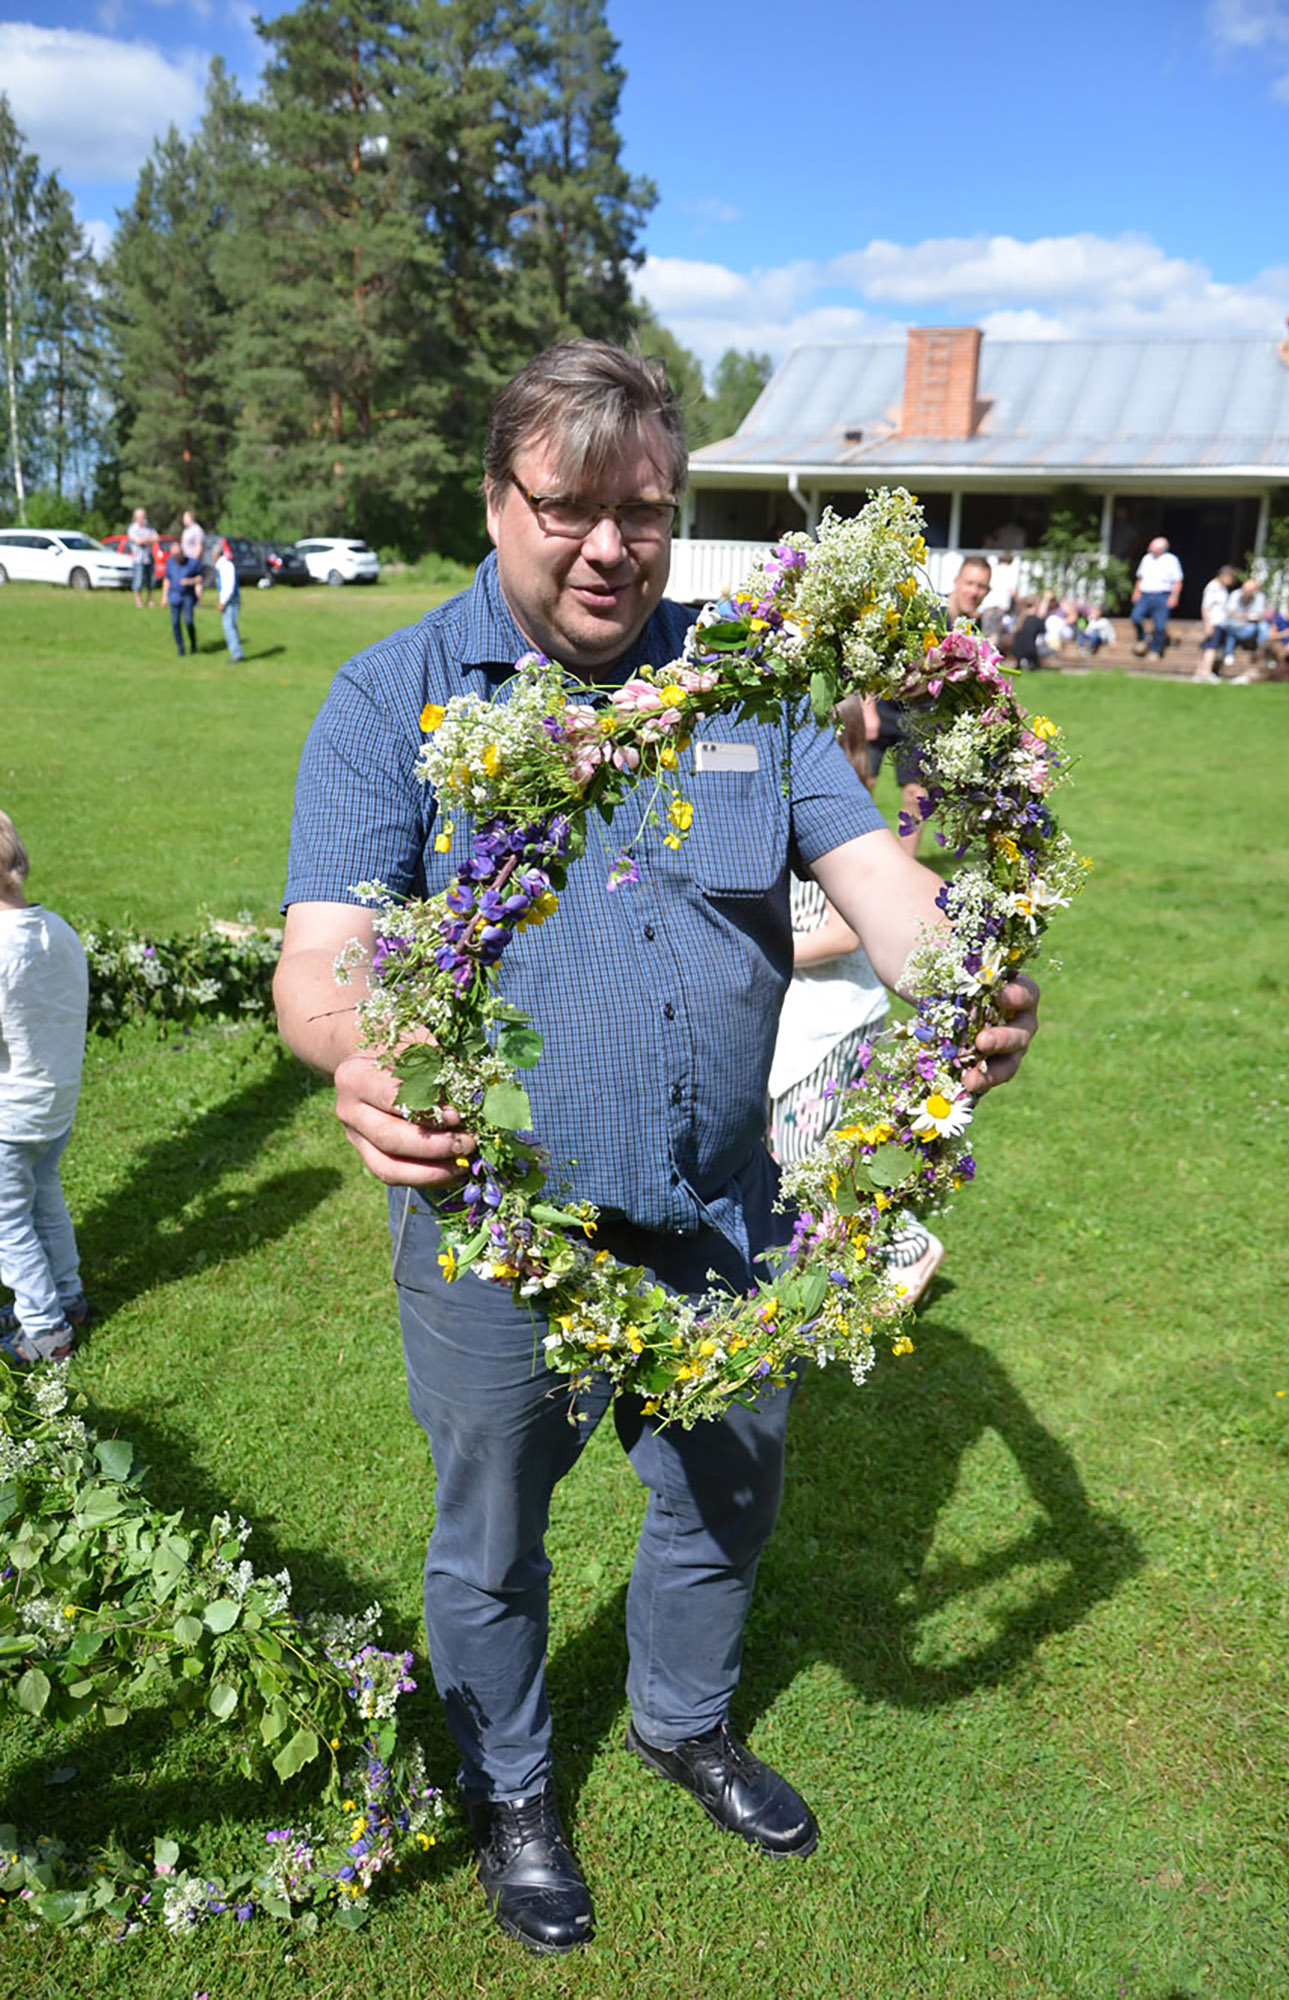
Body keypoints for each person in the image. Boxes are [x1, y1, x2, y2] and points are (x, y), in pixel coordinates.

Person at [273, 342, 1040, 1958]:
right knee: (491, 1531)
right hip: (500, 1227)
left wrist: (958, 972)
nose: (613, 547)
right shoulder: (396, 696)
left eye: (648, 512)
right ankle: (511, 1785)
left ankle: (683, 1720)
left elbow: (879, 872)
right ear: (497, 501)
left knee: (728, 1487)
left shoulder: (745, 682)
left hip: (720, 1214)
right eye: (570, 509)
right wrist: (365, 1052)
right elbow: (324, 953)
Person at [767, 695, 944, 1305]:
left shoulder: (845, 827)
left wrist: (764, 950)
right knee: (792, 1151)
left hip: (835, 1017)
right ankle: (829, 1263)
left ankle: (907, 1245)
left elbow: (846, 932)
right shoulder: (780, 816)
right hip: (797, 1018)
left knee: (809, 1157)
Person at [0, 811, 90, 1366]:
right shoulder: (56, 929)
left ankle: (45, 1329)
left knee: (9, 1222)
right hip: (56, 1101)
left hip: (9, 1115)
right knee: (46, 1199)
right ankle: (69, 1294)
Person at [894, 553, 992, 860]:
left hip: (924, 716)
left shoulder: (974, 631)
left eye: (982, 586)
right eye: (970, 583)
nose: (975, 591)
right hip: (888, 707)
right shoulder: (927, 613)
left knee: (917, 793)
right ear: (956, 583)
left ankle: (903, 866)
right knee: (862, 784)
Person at [1130, 536, 1183, 659]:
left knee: (1159, 625)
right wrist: (1136, 592)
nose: (1149, 549)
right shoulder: (1147, 559)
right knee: (1136, 617)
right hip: (1145, 594)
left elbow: (1177, 581)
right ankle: (1143, 638)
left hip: (1162, 595)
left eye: (1152, 547)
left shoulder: (1171, 560)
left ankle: (1155, 650)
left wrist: (1174, 597)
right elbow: (1140, 577)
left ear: (1161, 549)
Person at [1194, 565, 1239, 680]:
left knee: (1207, 647)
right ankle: (1206, 672)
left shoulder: (1222, 588)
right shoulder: (1213, 587)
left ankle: (1201, 672)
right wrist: (1208, 624)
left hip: (1220, 622)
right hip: (1213, 622)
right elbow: (1205, 607)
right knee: (1211, 648)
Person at [162, 546, 202, 656]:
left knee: (188, 621)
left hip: (187, 596)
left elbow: (200, 578)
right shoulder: (170, 562)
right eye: (173, 555)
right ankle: (180, 647)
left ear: (182, 553)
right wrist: (164, 597)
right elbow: (167, 579)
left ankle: (193, 644)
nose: (175, 557)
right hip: (174, 595)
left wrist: (190, 581)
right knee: (175, 622)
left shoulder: (193, 563)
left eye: (177, 555)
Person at [214, 540, 244, 662]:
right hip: (230, 599)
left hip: (230, 600)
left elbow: (228, 586)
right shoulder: (223, 565)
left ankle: (236, 654)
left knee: (229, 626)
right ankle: (237, 652)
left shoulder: (225, 565)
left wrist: (223, 601)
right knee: (231, 626)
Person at [127, 506, 158, 609]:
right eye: (141, 516)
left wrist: (145, 539)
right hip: (138, 559)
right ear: (136, 517)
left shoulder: (149, 527)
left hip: (149, 557)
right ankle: (138, 601)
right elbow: (138, 541)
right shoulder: (133, 528)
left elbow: (157, 537)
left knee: (151, 580)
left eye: (144, 516)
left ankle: (150, 600)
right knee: (138, 580)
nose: (143, 518)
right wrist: (148, 539)